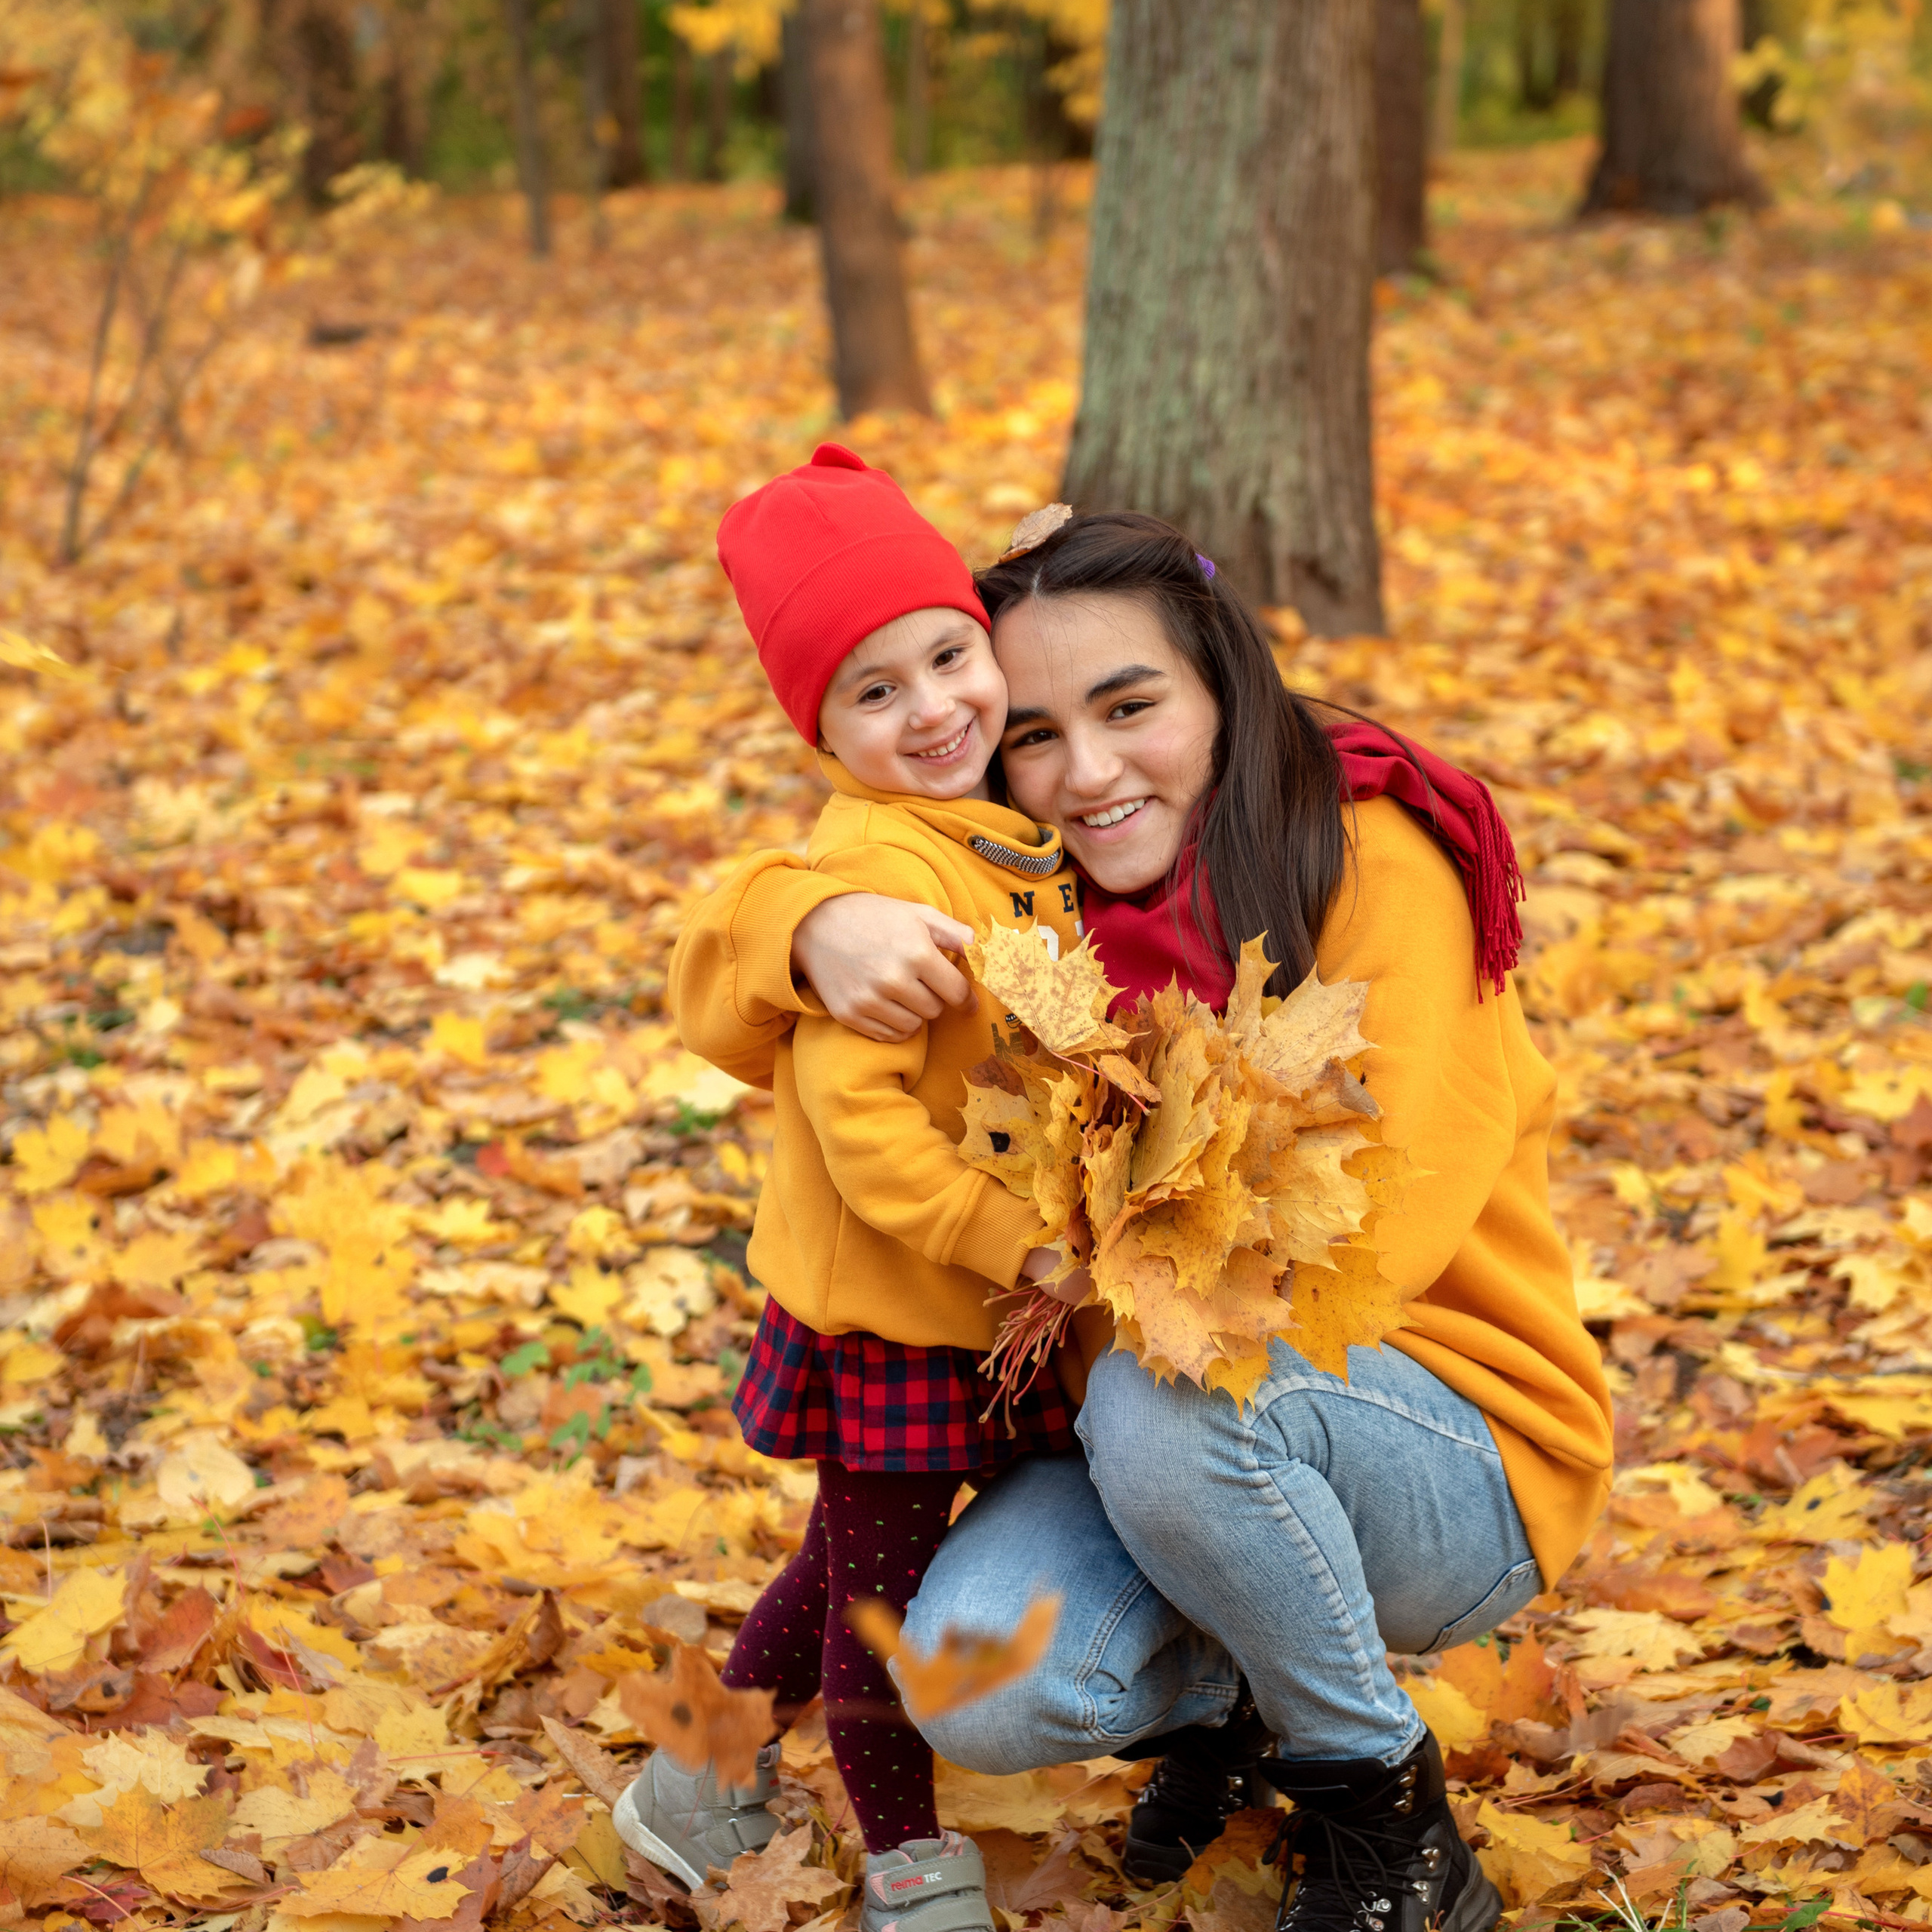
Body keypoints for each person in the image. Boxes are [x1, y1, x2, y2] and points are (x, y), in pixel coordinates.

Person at [669, 508, 1614, 1932]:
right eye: (1036, 734)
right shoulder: (1027, 913)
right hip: (1157, 1433)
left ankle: (1385, 1814)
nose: (1088, 771)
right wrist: (803, 923)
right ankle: (1232, 1701)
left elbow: (1368, 1258)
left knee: (1181, 1402)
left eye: (1132, 705)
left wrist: (1080, 1283)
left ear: (1223, 685)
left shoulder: (1368, 860)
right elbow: (756, 978)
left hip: (1448, 1447)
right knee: (975, 1674)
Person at [615, 446, 1084, 1932]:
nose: (934, 707)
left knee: (842, 1554)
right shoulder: (876, 873)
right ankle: (907, 1861)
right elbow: (861, 1128)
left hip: (985, 1297)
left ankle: (695, 1767)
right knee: (879, 1598)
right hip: (904, 1299)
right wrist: (1012, 1239)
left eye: (950, 654)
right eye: (874, 692)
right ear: (818, 726)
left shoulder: (1007, 816)